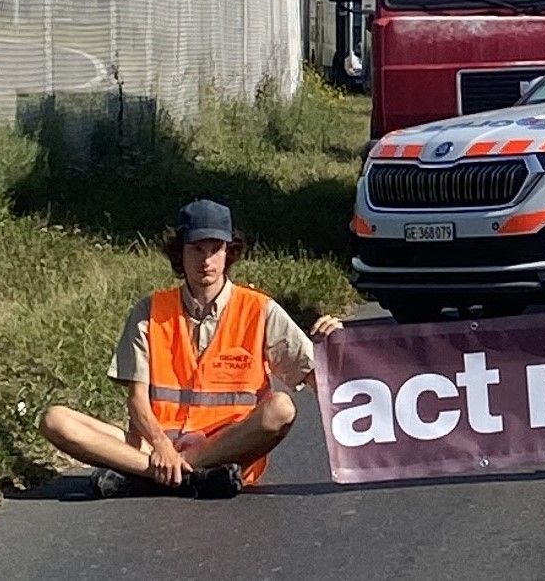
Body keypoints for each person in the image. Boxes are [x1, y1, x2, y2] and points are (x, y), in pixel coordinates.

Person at [38, 201, 343, 498]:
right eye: (197, 249)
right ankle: (187, 477)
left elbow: (326, 383)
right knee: (55, 420)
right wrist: (161, 446)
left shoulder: (260, 310)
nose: (206, 260)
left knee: (282, 408)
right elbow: (137, 400)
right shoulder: (150, 310)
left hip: (226, 448)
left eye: (215, 249)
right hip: (154, 448)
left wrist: (339, 346)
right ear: (179, 252)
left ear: (229, 253)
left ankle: (155, 475)